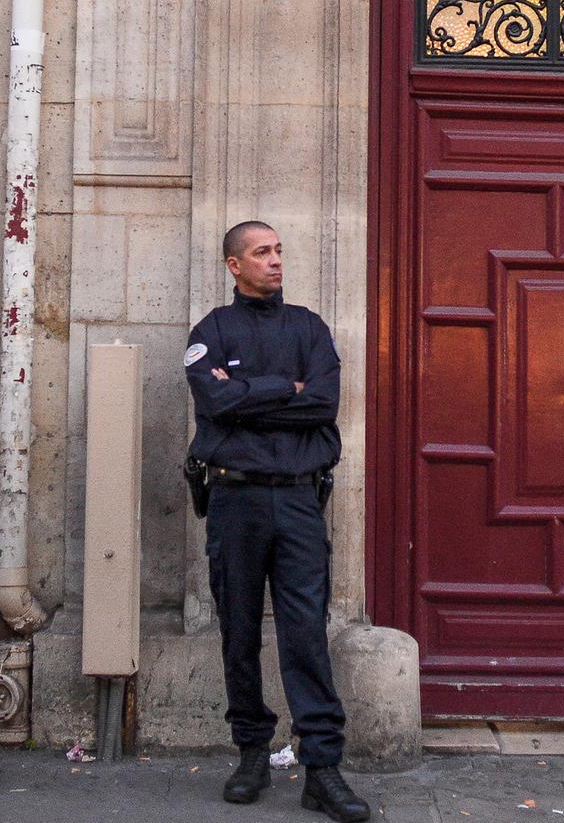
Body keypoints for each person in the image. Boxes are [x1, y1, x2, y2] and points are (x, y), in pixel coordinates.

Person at [185, 221, 370, 823]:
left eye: (278, 251)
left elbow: (321, 404)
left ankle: (322, 768)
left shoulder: (309, 328)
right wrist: (280, 389)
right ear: (233, 265)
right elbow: (212, 404)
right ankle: (251, 753)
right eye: (261, 252)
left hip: (296, 502)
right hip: (234, 503)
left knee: (304, 635)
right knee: (238, 630)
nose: (275, 261)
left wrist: (245, 392)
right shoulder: (211, 330)